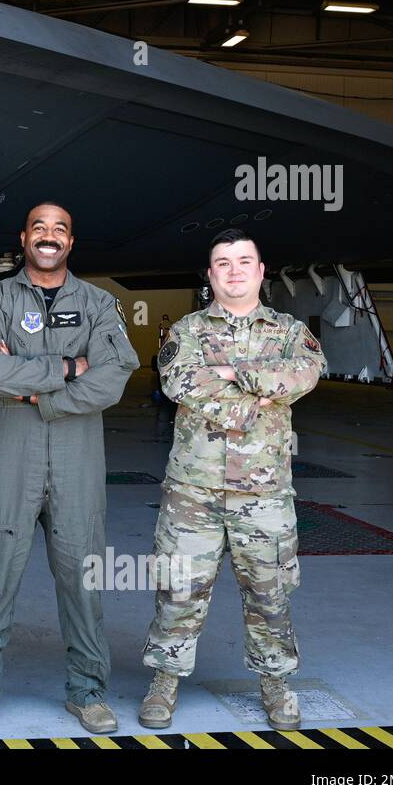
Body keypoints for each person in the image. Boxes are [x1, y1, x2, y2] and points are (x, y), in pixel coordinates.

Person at [0, 202, 139, 735]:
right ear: (25, 238)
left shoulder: (100, 304)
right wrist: (66, 366)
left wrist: (39, 394)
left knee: (83, 578)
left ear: (71, 242)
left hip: (78, 454)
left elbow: (114, 374)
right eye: (40, 228)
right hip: (8, 454)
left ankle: (88, 690)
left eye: (60, 229)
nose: (49, 237)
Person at [139, 228, 325, 731]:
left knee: (270, 593)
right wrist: (261, 390)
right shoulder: (186, 331)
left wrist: (226, 373)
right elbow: (178, 381)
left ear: (261, 272)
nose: (235, 270)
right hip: (193, 491)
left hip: (264, 493)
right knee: (178, 590)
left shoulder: (288, 330)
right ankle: (164, 681)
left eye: (245, 261)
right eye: (223, 262)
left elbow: (305, 373)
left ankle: (276, 685)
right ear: (211, 273)